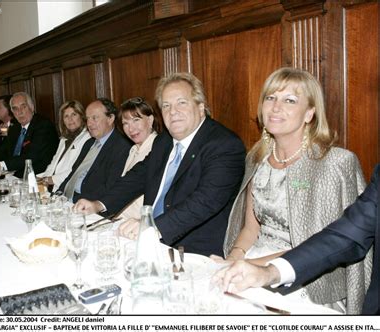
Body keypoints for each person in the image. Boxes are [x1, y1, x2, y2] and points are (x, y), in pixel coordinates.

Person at [217, 67, 370, 314]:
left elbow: (325, 244)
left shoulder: (334, 163)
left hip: (309, 277)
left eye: (289, 100)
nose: (276, 107)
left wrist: (253, 266)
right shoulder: (257, 158)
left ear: (310, 114)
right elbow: (251, 227)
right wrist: (234, 257)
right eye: (270, 98)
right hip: (254, 260)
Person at [74, 72, 246, 257]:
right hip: (145, 241)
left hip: (191, 250)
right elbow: (137, 177)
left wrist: (152, 227)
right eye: (166, 106)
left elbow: (206, 200)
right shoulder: (164, 141)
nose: (173, 112)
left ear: (201, 107)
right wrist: (99, 204)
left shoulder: (224, 144)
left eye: (181, 103)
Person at [214, 164, 379, 315]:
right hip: (282, 260)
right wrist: (270, 272)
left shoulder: (336, 162)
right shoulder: (258, 162)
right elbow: (344, 236)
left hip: (312, 280)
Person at [55, 98, 132, 202]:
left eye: (94, 118)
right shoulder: (89, 143)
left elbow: (108, 188)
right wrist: (56, 196)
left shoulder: (122, 147)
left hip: (89, 204)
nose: (89, 124)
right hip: (67, 200)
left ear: (110, 118)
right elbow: (73, 174)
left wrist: (74, 200)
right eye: (87, 119)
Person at [0, 92, 59, 178]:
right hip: (14, 174)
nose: (20, 112)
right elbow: (2, 152)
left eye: (23, 107)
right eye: (15, 109)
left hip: (36, 177)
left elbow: (30, 156)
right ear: (12, 112)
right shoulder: (15, 128)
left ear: (32, 107)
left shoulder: (43, 125)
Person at [116, 97, 163, 221]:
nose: (131, 129)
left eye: (136, 120)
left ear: (150, 120)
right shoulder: (133, 150)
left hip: (137, 222)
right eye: (126, 123)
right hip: (120, 218)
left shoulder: (158, 149)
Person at [37, 100, 91, 192]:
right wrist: (40, 178)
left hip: (67, 188)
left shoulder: (88, 137)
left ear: (82, 116)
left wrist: (48, 180)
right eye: (66, 116)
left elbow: (76, 170)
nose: (70, 119)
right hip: (50, 186)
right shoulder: (64, 139)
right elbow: (53, 165)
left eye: (74, 114)